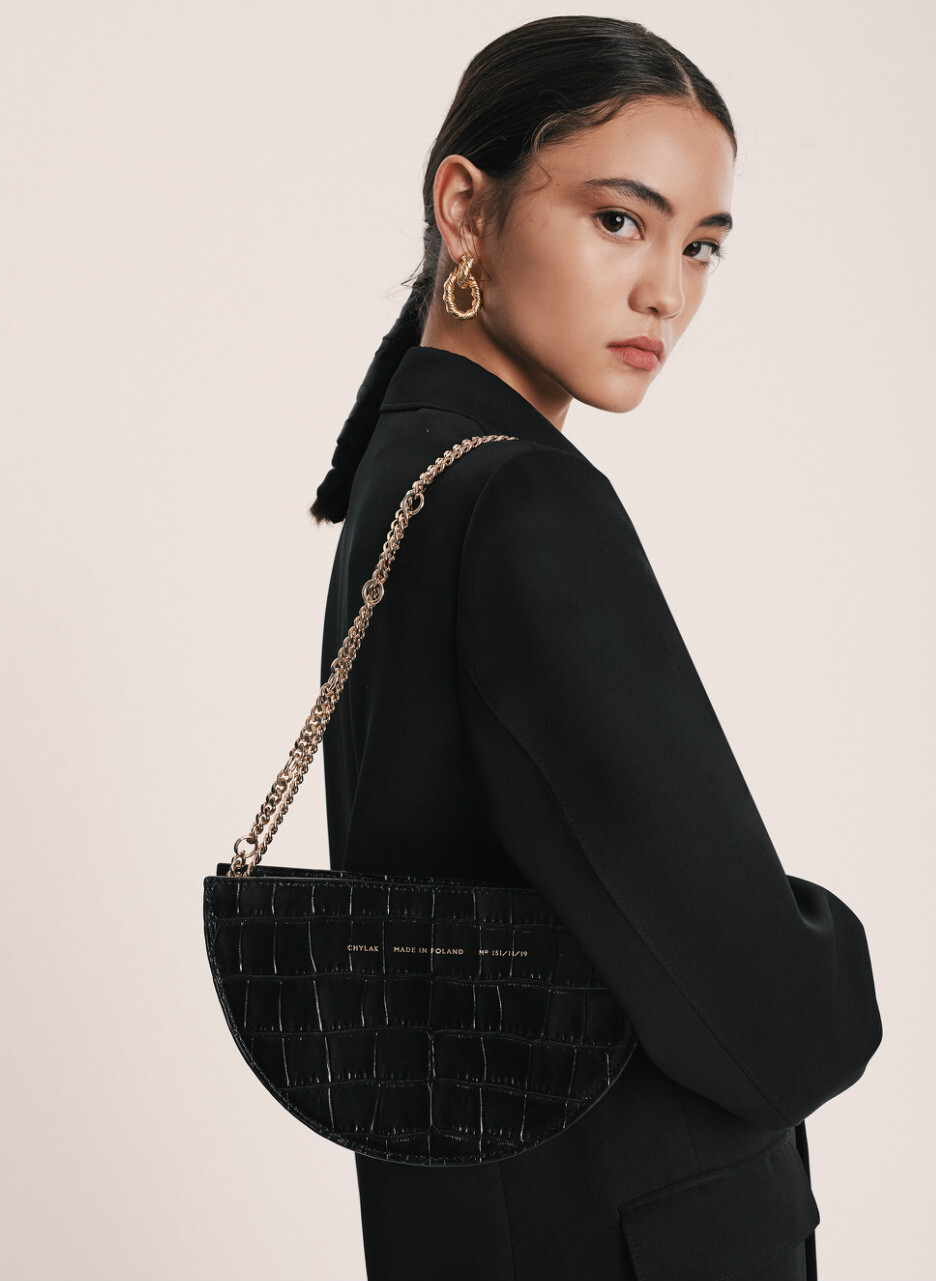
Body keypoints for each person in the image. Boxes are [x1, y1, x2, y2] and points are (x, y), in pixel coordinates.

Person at [309, 16, 883, 1281]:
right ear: (466, 207)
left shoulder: (409, 474)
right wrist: (831, 951)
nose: (666, 292)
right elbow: (776, 1027)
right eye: (621, 220)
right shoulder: (522, 504)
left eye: (702, 246)